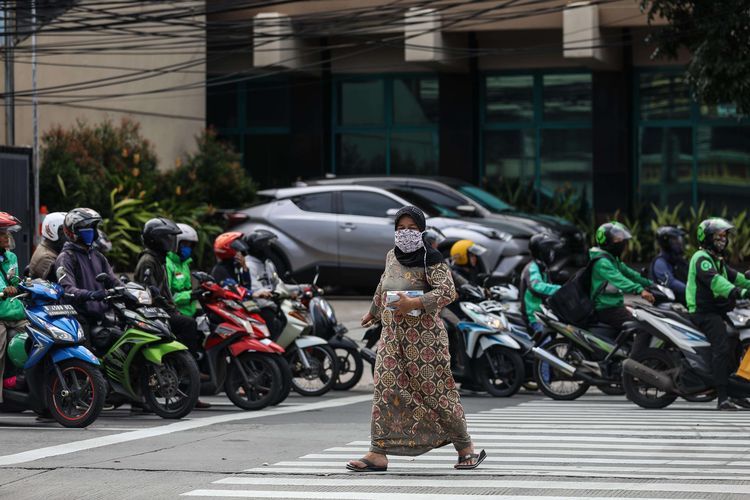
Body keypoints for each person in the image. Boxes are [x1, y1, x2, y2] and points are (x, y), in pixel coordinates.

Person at [348, 206, 486, 472]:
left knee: (436, 392)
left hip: (425, 341)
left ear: (422, 231)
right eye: (400, 228)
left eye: (412, 228)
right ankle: (378, 452)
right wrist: (373, 311)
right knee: (385, 390)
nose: (405, 233)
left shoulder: (430, 259)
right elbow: (383, 284)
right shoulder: (392, 256)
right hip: (392, 336)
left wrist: (415, 302)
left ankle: (465, 447)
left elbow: (448, 291)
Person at [134, 218, 211, 409]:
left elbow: (164, 292)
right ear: (156, 240)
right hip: (151, 314)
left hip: (164, 311)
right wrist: (170, 309)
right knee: (187, 324)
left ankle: (186, 375)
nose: (171, 242)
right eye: (167, 238)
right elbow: (150, 292)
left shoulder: (159, 260)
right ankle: (184, 370)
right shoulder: (148, 261)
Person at [686, 218, 750, 410]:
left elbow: (737, 278)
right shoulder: (702, 259)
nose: (723, 239)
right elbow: (716, 282)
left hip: (716, 310)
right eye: (718, 236)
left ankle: (736, 392)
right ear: (706, 238)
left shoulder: (717, 260)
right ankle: (722, 397)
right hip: (703, 312)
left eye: (724, 236)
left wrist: (747, 285)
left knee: (735, 342)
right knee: (721, 348)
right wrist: (738, 292)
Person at [55, 208, 121, 323]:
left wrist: (130, 291)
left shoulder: (97, 256)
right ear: (74, 231)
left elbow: (114, 281)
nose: (91, 231)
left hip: (102, 317)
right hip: (80, 320)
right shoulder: (66, 258)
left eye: (93, 228)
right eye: (87, 228)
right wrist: (91, 295)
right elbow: (67, 290)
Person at [590, 222, 654, 332]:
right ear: (606, 241)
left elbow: (631, 274)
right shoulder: (602, 262)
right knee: (643, 327)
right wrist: (640, 290)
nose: (621, 241)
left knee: (643, 316)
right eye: (617, 238)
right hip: (606, 308)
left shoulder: (612, 259)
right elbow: (619, 279)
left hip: (615, 305)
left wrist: (651, 284)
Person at [0, 212, 27, 402]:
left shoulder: (11, 257)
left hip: (15, 313)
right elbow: (4, 286)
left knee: (39, 336)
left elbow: (16, 282)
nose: (7, 237)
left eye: (8, 233)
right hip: (1, 315)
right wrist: (5, 290)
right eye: (3, 233)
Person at [520, 233, 562, 336]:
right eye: (549, 250)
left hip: (543, 315)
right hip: (534, 318)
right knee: (546, 343)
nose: (551, 253)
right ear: (541, 251)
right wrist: (559, 289)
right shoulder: (532, 268)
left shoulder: (542, 267)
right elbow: (536, 287)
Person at [211, 232, 272, 301]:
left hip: (239, 302)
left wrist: (244, 268)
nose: (240, 253)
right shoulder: (220, 270)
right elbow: (232, 287)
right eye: (236, 250)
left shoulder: (235, 267)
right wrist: (252, 293)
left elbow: (247, 286)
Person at [166, 223, 199, 318]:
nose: (188, 248)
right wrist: (191, 295)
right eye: (185, 244)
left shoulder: (185, 264)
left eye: (190, 245)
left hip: (189, 311)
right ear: (175, 243)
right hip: (176, 313)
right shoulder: (167, 263)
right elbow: (168, 297)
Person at [651, 226, 689, 304]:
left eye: (679, 239)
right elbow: (671, 283)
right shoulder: (660, 262)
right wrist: (692, 291)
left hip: (685, 301)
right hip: (669, 304)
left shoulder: (679, 260)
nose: (679, 243)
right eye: (675, 240)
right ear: (665, 243)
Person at [28, 211, 66, 281]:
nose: (68, 236)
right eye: (64, 232)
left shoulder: (50, 248)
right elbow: (63, 282)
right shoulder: (46, 258)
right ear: (53, 231)